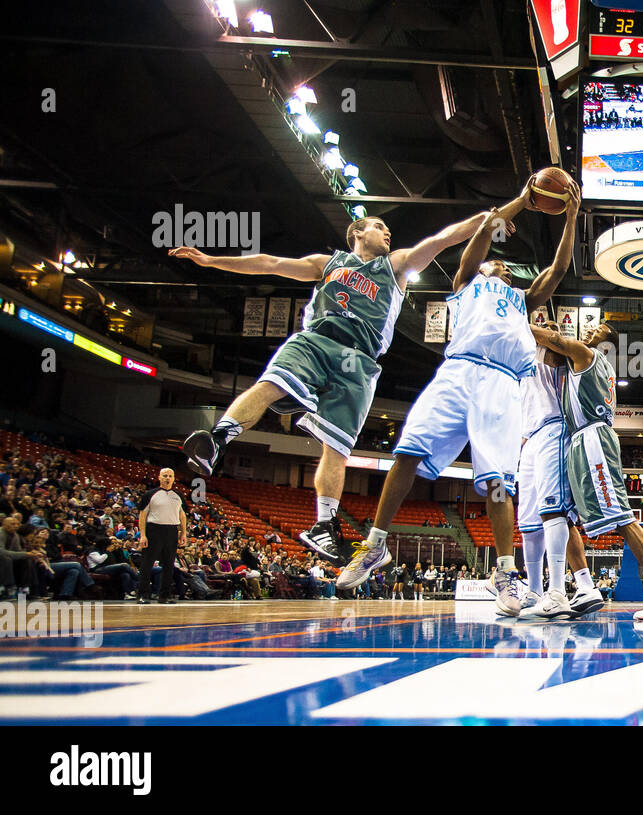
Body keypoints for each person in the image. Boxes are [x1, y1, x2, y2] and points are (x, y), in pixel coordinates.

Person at [170, 207, 492, 568]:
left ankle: (324, 523)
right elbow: (271, 264)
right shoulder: (328, 263)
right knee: (270, 384)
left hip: (359, 359)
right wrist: (210, 260)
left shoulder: (396, 265)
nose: (388, 233)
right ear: (358, 232)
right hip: (316, 339)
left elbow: (442, 239)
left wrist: (485, 219)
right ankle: (216, 440)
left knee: (336, 448)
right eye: (380, 227)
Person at [338, 180, 578, 618]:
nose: (504, 269)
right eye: (498, 265)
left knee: (498, 484)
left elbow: (558, 271)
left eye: (508, 268)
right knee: (407, 454)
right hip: (457, 371)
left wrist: (572, 217)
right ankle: (375, 545)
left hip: (503, 383)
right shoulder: (467, 281)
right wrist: (523, 200)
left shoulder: (522, 300)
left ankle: (504, 574)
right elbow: (487, 227)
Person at [529, 321, 643, 620]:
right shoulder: (583, 360)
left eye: (597, 330)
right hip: (578, 440)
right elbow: (546, 354)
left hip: (593, 439)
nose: (588, 330)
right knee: (565, 514)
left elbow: (553, 339)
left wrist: (515, 315)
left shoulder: (588, 355)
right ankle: (585, 586)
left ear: (606, 343)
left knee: (621, 517)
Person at [516, 319, 605, 621]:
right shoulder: (526, 355)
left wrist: (515, 314)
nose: (546, 326)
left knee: (554, 512)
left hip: (555, 427)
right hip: (529, 438)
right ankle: (534, 591)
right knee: (529, 521)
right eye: (543, 323)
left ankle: (556, 592)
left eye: (552, 325)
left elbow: (551, 342)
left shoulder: (559, 354)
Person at [136, 468, 187, 604]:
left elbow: (182, 515)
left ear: (174, 478)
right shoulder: (151, 494)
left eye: (170, 476)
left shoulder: (178, 495)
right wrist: (143, 535)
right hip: (154, 530)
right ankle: (143, 595)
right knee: (147, 564)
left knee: (169, 565)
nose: (167, 478)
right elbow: (142, 514)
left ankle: (164, 596)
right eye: (165, 475)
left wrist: (183, 533)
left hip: (172, 531)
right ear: (159, 477)